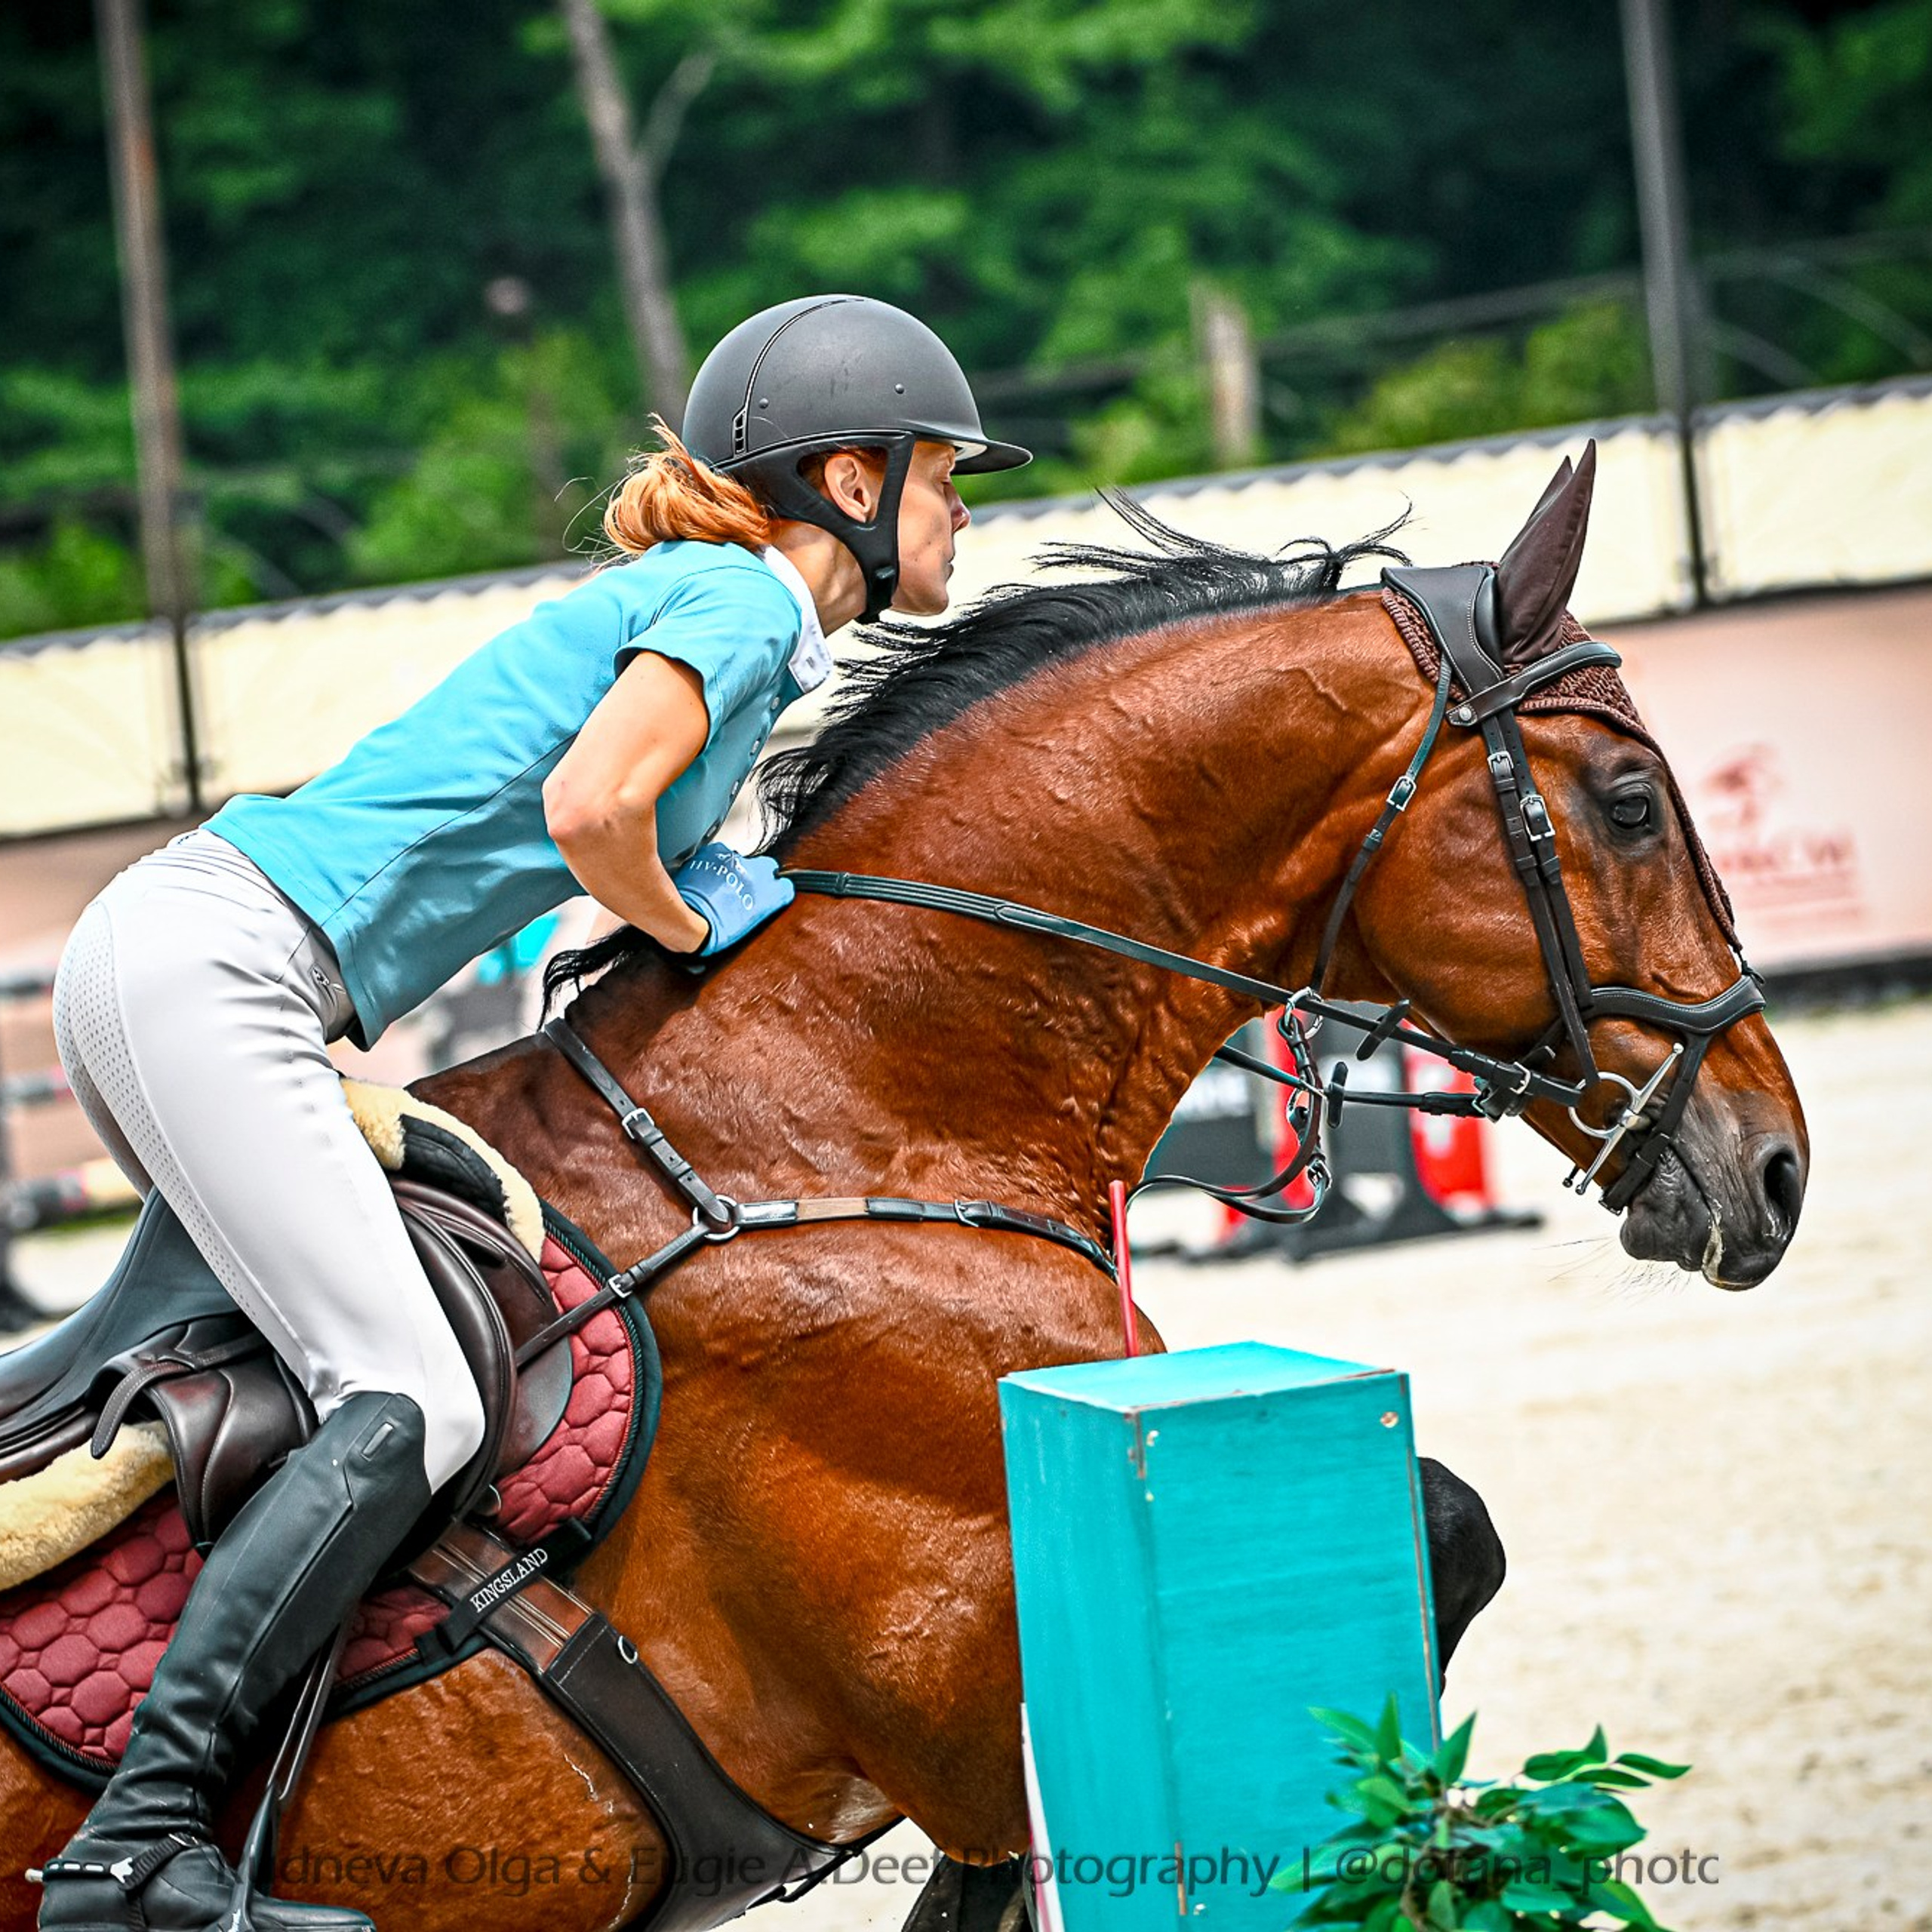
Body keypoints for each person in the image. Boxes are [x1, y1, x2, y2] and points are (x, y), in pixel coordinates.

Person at [34, 294, 1028, 1932]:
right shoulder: (739, 599)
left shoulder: (713, 612)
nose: (960, 507)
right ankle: (133, 1842)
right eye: (941, 474)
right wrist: (696, 921)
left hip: (188, 958)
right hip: (220, 973)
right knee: (412, 1391)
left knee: (317, 1376)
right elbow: (593, 811)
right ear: (849, 478)